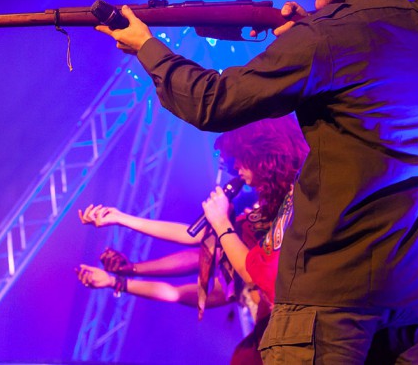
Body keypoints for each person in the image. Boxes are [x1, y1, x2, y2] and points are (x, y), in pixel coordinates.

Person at [96, 0, 418, 362]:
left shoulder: (324, 38)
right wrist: (308, 37)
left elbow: (212, 102)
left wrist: (148, 48)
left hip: (330, 302)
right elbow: (365, 73)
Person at [77, 116, 308, 364]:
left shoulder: (294, 206)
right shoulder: (248, 241)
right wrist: (121, 220)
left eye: (241, 157)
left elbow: (210, 257)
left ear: (260, 155)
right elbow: (194, 241)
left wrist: (222, 223)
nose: (236, 167)